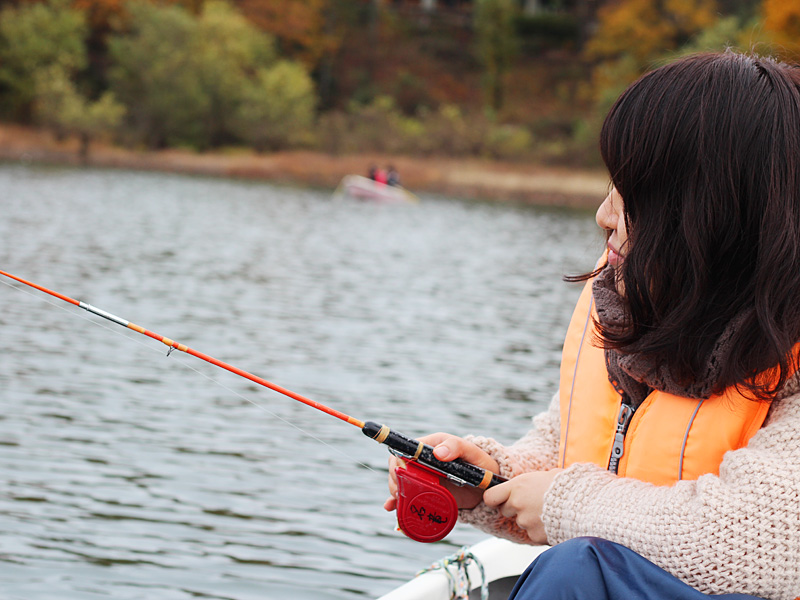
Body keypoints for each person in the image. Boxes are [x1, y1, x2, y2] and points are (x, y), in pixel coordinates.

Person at [385, 51, 800, 599]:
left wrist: (563, 506)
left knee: (578, 569)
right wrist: (491, 478)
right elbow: (569, 455)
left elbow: (767, 545)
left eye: (636, 198)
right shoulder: (625, 301)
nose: (605, 214)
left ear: (718, 215)